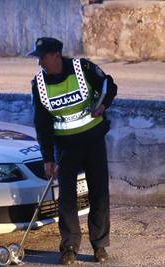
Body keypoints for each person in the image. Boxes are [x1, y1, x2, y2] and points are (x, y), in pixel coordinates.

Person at [28, 37, 117, 265]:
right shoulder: (39, 84)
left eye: (42, 58)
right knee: (66, 200)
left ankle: (100, 245)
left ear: (56, 55)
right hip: (66, 148)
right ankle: (69, 247)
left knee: (99, 195)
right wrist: (47, 157)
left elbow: (109, 85)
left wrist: (103, 104)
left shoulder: (83, 68)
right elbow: (42, 124)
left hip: (93, 142)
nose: (40, 63)